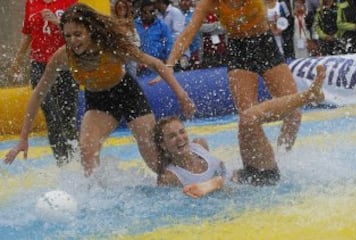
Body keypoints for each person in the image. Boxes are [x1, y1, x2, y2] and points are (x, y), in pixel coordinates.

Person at [4, 3, 195, 177]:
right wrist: (23, 138)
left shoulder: (112, 47)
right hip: (98, 99)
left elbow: (155, 64)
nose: (73, 41)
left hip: (127, 93)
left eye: (78, 34)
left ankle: (192, 167)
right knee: (87, 153)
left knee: (155, 161)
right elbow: (38, 95)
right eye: (68, 35)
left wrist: (182, 95)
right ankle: (98, 198)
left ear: (90, 31)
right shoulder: (62, 57)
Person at [151, 0, 303, 185]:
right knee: (247, 118)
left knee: (294, 111)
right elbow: (190, 31)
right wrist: (170, 63)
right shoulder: (209, 3)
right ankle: (252, 167)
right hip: (239, 51)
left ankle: (283, 154)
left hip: (264, 43)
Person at [154, 65, 326, 196]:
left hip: (249, 176)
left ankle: (309, 95)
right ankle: (309, 96)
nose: (180, 138)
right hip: (258, 185)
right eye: (171, 136)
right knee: (248, 119)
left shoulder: (199, 145)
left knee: (248, 118)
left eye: (181, 132)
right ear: (162, 144)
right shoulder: (170, 177)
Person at [11, 0, 79, 167]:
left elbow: (79, 32)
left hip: (65, 64)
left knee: (68, 117)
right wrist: (18, 60)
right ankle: (62, 163)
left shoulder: (70, 2)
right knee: (52, 115)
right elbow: (28, 34)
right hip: (39, 65)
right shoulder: (32, 3)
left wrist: (59, 23)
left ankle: (76, 160)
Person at [134, 0, 173, 75]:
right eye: (145, 12)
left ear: (155, 12)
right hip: (138, 68)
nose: (148, 14)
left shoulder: (162, 26)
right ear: (141, 12)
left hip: (157, 68)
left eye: (151, 11)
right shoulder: (134, 25)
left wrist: (167, 62)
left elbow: (169, 44)